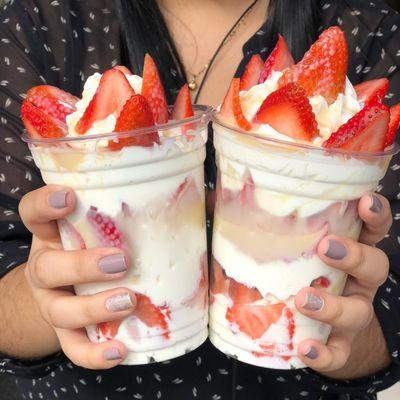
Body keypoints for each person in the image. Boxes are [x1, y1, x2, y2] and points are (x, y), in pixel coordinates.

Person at [0, 0, 399, 399]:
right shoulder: (43, 21)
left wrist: (344, 333)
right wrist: (44, 296)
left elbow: (389, 323)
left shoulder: (373, 30)